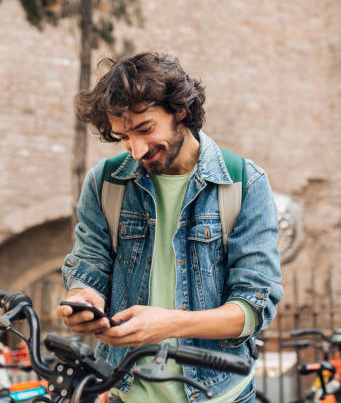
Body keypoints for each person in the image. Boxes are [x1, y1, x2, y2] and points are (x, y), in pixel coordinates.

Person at [57, 52, 283, 403]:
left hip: (219, 395)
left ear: (181, 110)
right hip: (123, 390)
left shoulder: (245, 183)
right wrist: (83, 297)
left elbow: (253, 308)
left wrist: (170, 324)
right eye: (123, 137)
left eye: (145, 129)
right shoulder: (105, 183)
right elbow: (89, 265)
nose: (136, 150)